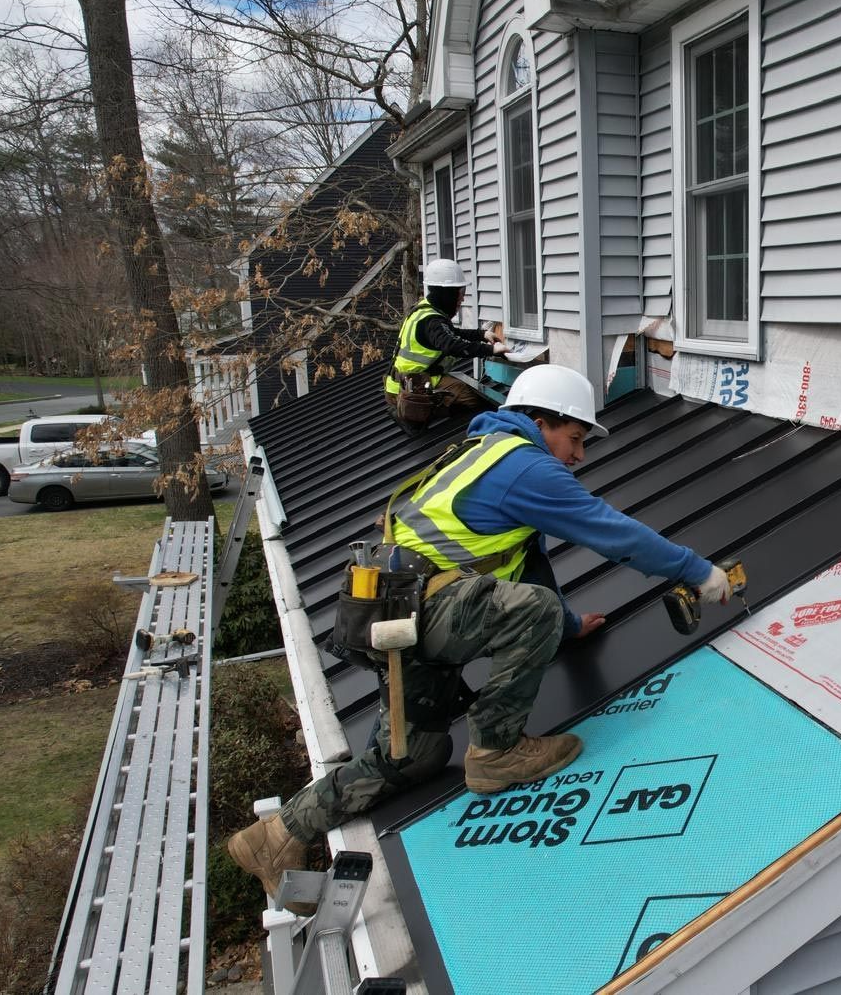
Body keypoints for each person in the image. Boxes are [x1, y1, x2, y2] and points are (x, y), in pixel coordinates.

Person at [228, 364, 733, 912]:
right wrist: (697, 572)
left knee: (413, 757)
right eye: (575, 438)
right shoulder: (525, 467)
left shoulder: (476, 453)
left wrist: (564, 626)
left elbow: (527, 563)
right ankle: (496, 750)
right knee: (533, 611)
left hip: (396, 621)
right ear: (542, 422)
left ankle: (274, 838)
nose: (579, 456)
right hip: (426, 609)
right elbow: (612, 532)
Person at [384, 257, 508, 421]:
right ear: (446, 293)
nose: (462, 299)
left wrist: (482, 335)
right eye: (460, 293)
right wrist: (491, 350)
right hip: (410, 391)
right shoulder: (432, 321)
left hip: (398, 384)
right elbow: (451, 345)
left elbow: (450, 332)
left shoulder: (424, 310)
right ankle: (421, 416)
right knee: (473, 399)